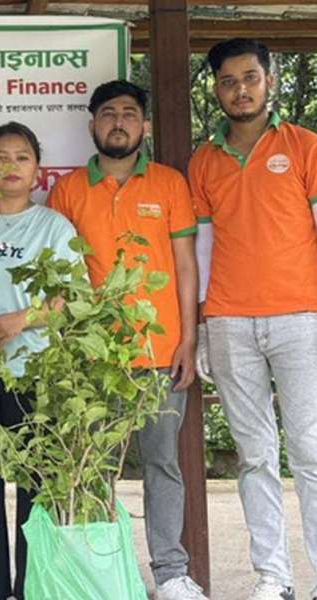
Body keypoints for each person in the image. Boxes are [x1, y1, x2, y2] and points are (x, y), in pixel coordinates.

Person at [48, 80, 204, 600]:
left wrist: (187, 339)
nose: (119, 122)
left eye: (130, 113)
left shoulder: (169, 184)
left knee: (162, 464)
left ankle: (170, 574)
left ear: (145, 125)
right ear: (92, 124)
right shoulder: (68, 190)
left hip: (160, 354)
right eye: (109, 113)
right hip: (92, 358)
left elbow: (185, 266)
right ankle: (103, 574)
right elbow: (59, 277)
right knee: (91, 466)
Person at [191, 38, 317, 600]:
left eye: (250, 77)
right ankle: (274, 576)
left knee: (311, 450)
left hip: (301, 316)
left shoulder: (305, 146)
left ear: (270, 82)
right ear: (215, 88)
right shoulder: (203, 160)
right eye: (227, 80)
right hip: (229, 321)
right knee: (255, 456)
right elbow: (201, 248)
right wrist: (198, 324)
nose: (239, 89)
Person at [0, 122, 77, 600]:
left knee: (37, 486)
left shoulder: (54, 226)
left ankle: (34, 586)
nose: (10, 165)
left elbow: (69, 297)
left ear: (38, 171)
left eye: (21, 157)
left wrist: (20, 320)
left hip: (35, 373)